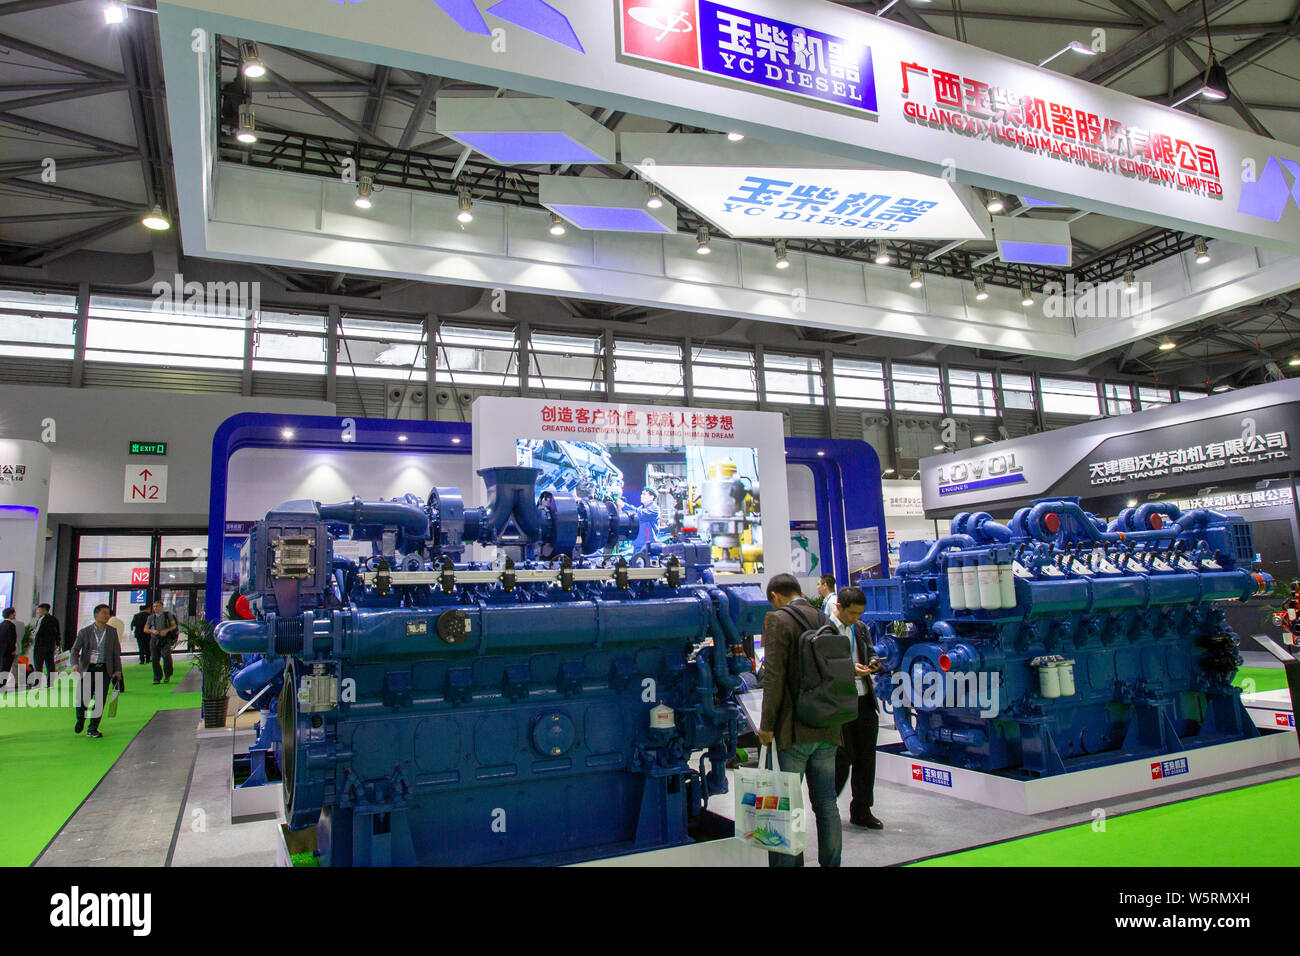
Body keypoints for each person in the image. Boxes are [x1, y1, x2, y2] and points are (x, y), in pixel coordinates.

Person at [757, 573, 842, 867]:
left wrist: (766, 726)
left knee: (786, 807)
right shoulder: (824, 618)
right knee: (827, 804)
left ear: (775, 597)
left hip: (793, 731)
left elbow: (774, 677)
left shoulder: (778, 620)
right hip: (828, 725)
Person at [828, 587, 883, 830]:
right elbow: (823, 664)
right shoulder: (824, 630)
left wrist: (873, 661)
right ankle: (827, 806)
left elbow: (870, 649)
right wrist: (850, 670)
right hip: (838, 703)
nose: (855, 618)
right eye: (852, 613)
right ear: (838, 607)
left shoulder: (859, 628)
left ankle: (862, 809)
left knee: (866, 757)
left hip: (864, 700)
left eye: (860, 613)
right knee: (843, 757)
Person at [71, 604, 123, 738]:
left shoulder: (112, 631)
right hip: (88, 669)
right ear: (96, 615)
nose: (106, 616)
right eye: (103, 613)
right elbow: (75, 650)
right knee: (83, 700)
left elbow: (116, 652)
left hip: (104, 670)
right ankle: (81, 719)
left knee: (100, 700)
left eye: (107, 614)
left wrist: (117, 670)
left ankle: (93, 728)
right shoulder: (85, 632)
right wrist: (75, 664)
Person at [145, 600, 178, 684]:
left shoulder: (167, 615)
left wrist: (166, 630)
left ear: (162, 607)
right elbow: (145, 629)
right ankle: (157, 677)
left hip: (165, 639)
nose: (155, 608)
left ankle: (167, 675)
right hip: (154, 639)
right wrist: (152, 631)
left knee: (166, 656)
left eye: (157, 606)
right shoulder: (151, 617)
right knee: (155, 658)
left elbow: (174, 626)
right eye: (154, 606)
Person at [31, 603, 60, 679]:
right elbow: (57, 632)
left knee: (38, 664)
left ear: (44, 610)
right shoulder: (54, 619)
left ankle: (37, 682)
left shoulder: (42, 619)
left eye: (39, 610)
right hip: (50, 645)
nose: (38, 612)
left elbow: (38, 632)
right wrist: (57, 643)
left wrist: (33, 633)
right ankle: (50, 683)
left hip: (40, 645)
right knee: (50, 664)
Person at [0, 607, 17, 680]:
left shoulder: (1, 624)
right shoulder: (11, 625)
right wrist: (13, 649)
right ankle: (2, 687)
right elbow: (12, 639)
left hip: (1, 651)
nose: (14, 615)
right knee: (5, 670)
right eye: (13, 614)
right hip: (8, 652)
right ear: (10, 615)